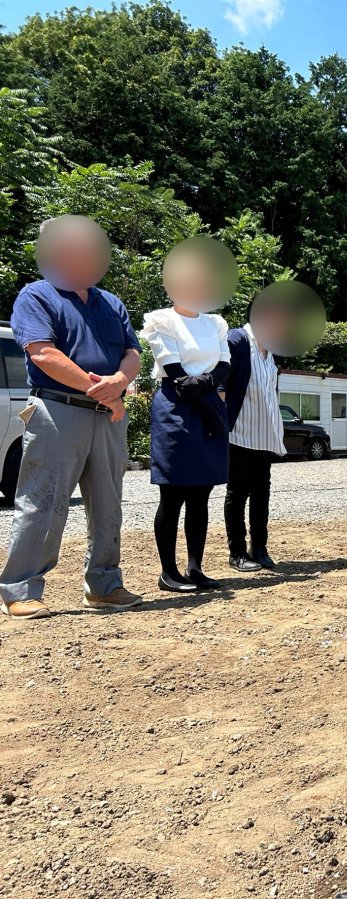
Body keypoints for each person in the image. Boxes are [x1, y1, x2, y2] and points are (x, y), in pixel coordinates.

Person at [0, 216, 143, 619]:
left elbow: (132, 353)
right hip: (58, 410)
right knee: (43, 502)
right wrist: (102, 390)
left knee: (109, 505)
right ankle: (21, 589)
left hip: (108, 415)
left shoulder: (110, 302)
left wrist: (119, 381)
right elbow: (43, 353)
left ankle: (105, 585)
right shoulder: (37, 295)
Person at [140, 248, 232, 593]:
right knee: (173, 492)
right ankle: (168, 572)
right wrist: (201, 383)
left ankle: (195, 568)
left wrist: (206, 382)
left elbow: (225, 363)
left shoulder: (216, 322)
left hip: (207, 403)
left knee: (201, 493)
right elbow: (174, 369)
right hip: (176, 406)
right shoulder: (161, 320)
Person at [222, 298, 287, 572]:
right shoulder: (237, 340)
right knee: (237, 493)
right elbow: (222, 385)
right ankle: (237, 552)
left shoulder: (270, 352)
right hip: (239, 432)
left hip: (264, 434)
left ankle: (259, 548)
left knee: (262, 493)